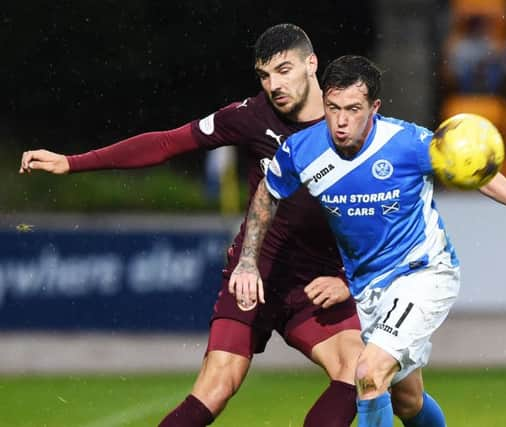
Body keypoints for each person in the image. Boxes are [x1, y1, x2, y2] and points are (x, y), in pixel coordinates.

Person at [19, 24, 364, 427]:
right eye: (264, 75)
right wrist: (73, 162)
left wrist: (349, 278)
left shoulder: (353, 125)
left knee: (357, 370)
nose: (273, 85)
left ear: (311, 64)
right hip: (255, 274)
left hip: (317, 283)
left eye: (284, 70)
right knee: (215, 388)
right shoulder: (251, 116)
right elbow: (167, 142)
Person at [229, 55, 506, 426]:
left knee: (367, 374)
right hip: (369, 289)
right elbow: (269, 194)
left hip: (423, 273)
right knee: (408, 401)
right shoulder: (301, 150)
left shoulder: (407, 143)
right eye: (333, 108)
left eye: (353, 109)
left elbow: (474, 168)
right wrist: (247, 260)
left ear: (374, 107)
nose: (342, 120)